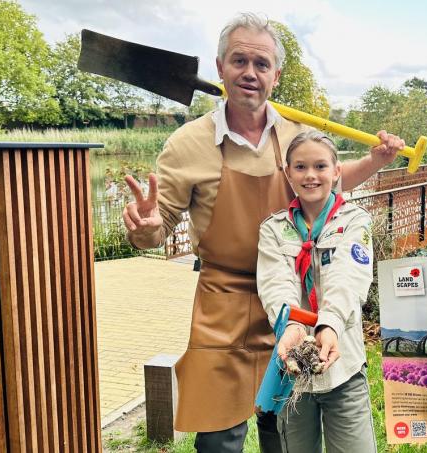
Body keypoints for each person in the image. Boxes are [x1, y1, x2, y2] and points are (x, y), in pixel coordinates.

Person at [123, 12, 403, 453]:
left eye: (261, 64)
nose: (250, 73)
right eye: (239, 61)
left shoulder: (296, 135)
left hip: (293, 299)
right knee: (218, 437)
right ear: (220, 68)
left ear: (276, 75)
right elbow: (157, 228)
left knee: (283, 429)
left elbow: (327, 180)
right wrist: (148, 228)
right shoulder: (188, 143)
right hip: (223, 304)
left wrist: (375, 161)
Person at [257, 131, 376, 453]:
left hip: (344, 365)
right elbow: (276, 283)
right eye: (300, 167)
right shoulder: (273, 229)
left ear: (336, 171)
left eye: (320, 166)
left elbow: (348, 276)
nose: (311, 175)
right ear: (288, 173)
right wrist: (292, 325)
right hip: (292, 369)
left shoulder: (355, 221)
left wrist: (330, 324)